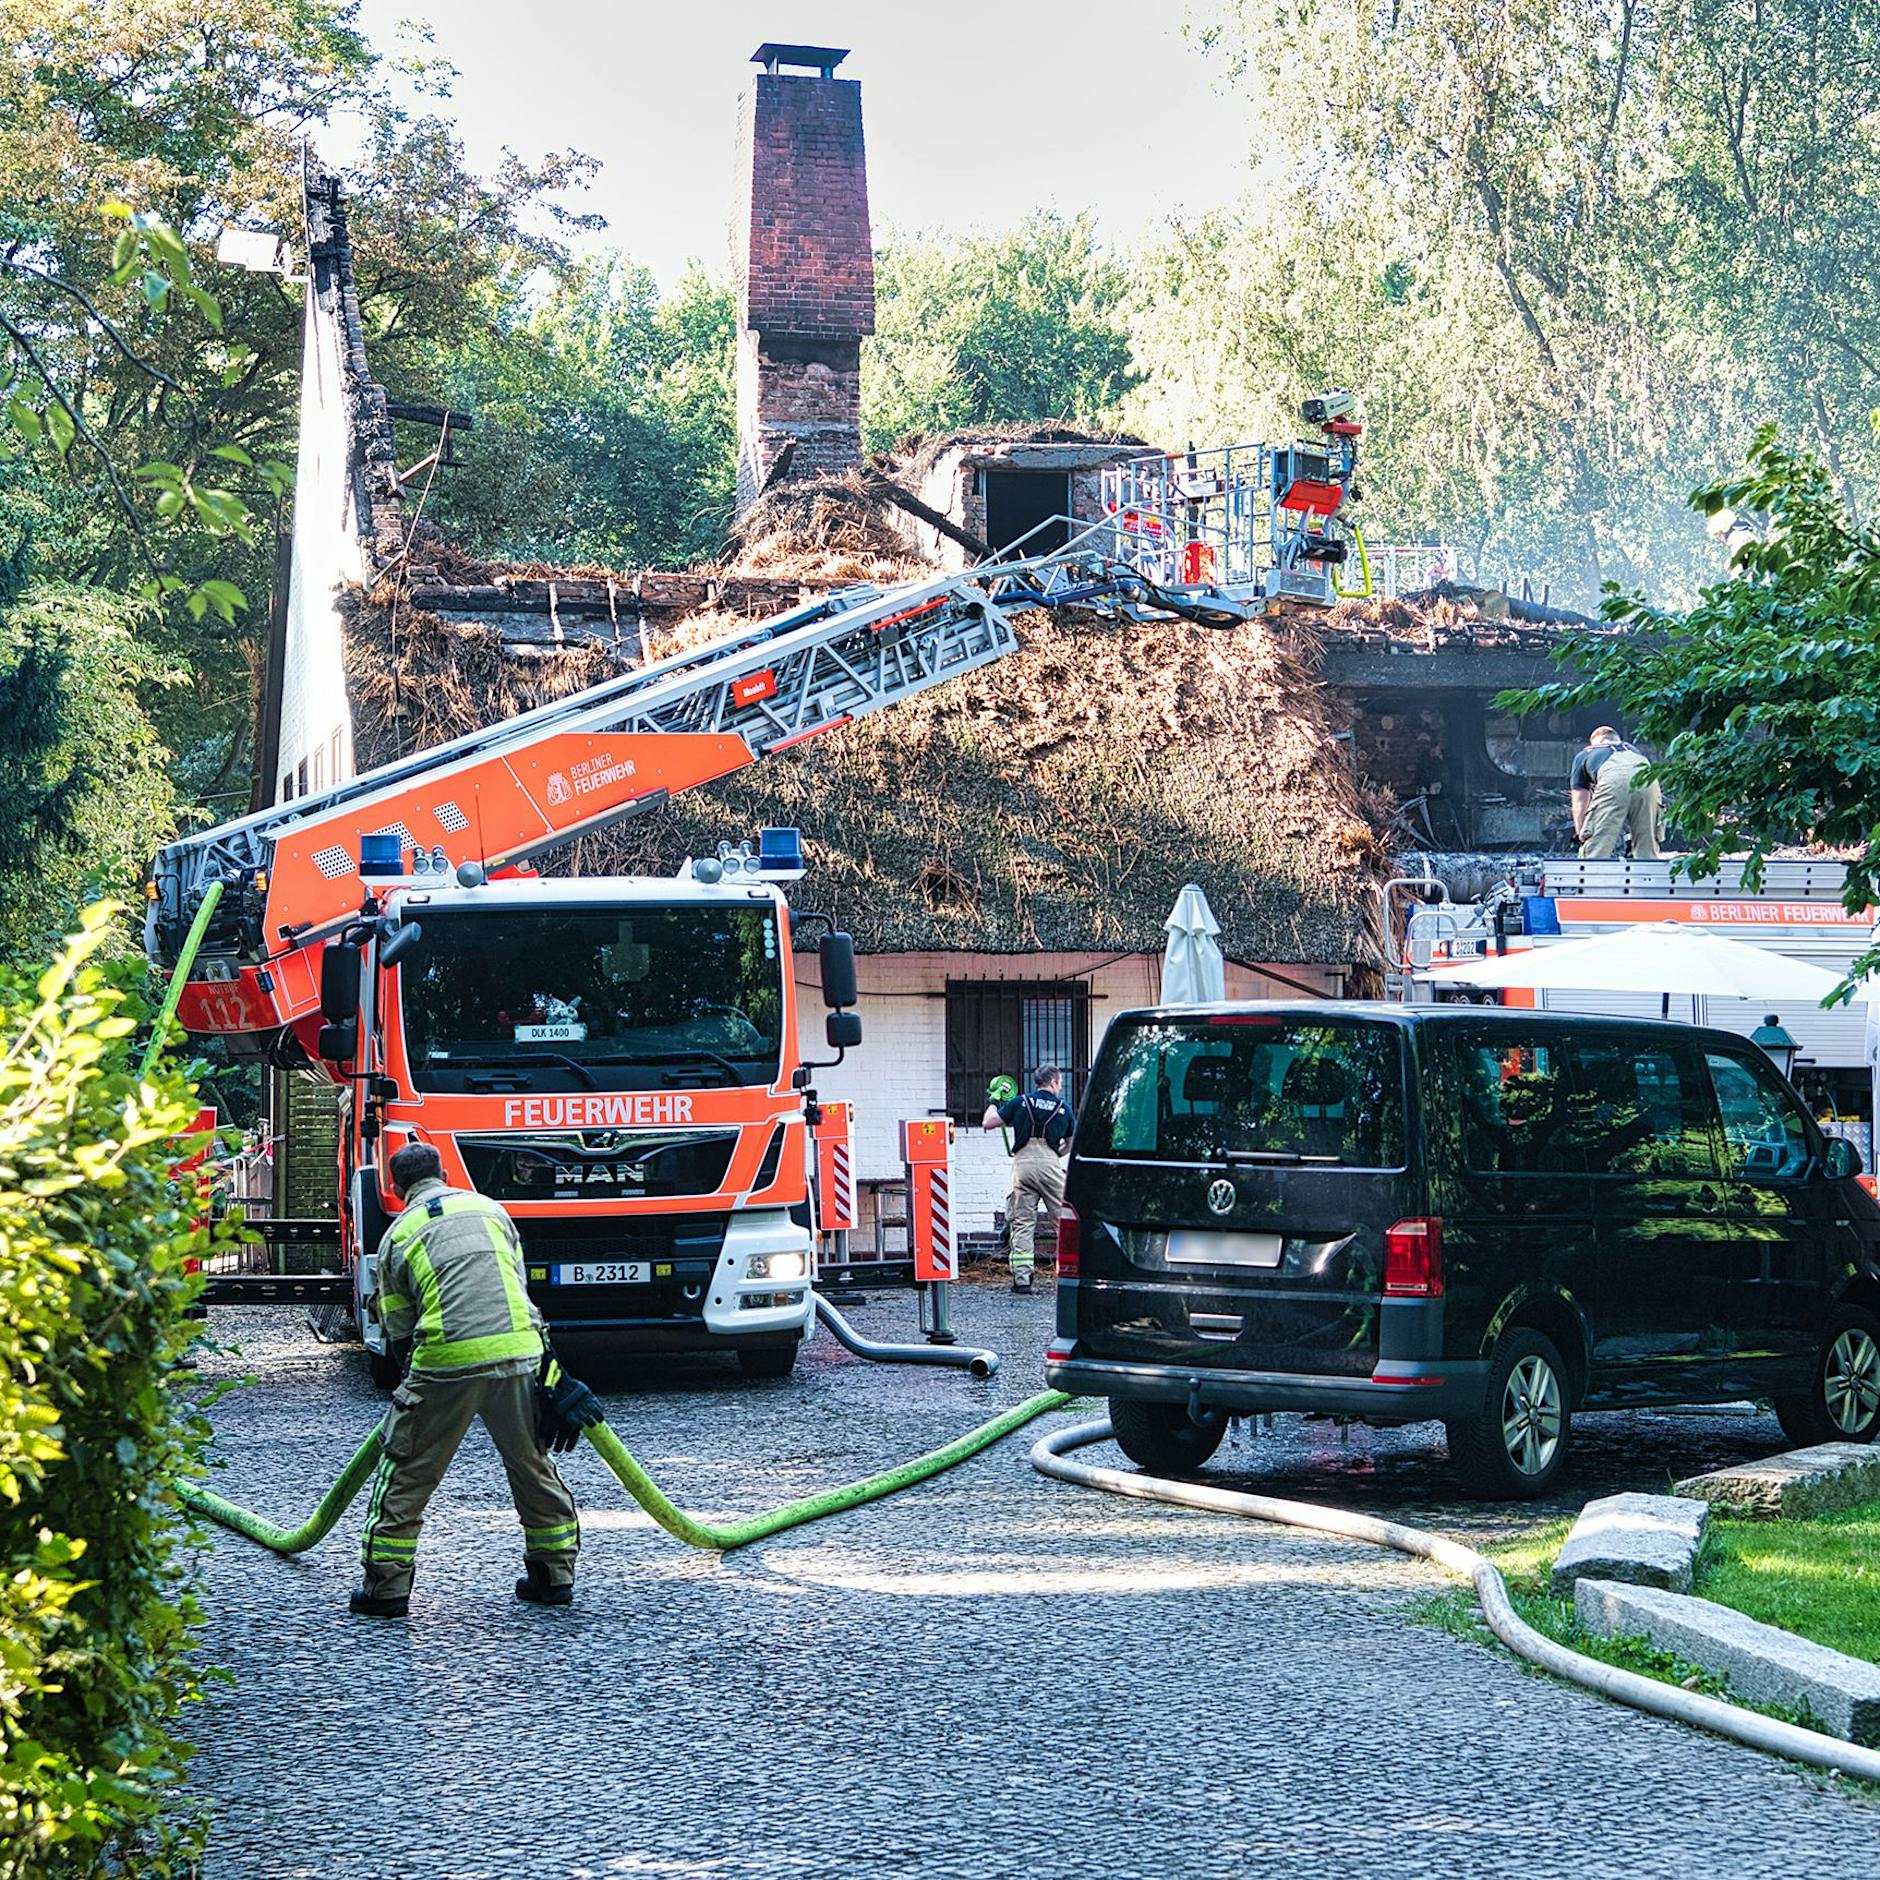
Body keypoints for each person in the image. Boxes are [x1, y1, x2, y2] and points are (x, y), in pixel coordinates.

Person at [352, 1142, 602, 1618]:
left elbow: (398, 1328)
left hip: (446, 1359)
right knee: (532, 1465)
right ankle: (553, 1577)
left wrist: (413, 1390)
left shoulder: (398, 1234)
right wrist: (549, 1371)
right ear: (445, 1173)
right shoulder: (491, 1211)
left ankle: (386, 1589)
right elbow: (516, 1291)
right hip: (518, 1353)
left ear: (397, 1187)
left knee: (407, 1472)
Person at [983, 1065, 1074, 1294]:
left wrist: (994, 1100)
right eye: (1060, 1082)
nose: (1060, 1086)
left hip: (1022, 1166)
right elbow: (1070, 1145)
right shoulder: (1064, 1109)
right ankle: (1069, 1276)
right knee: (1064, 1222)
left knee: (1022, 1223)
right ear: (1053, 1082)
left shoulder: (1020, 1102)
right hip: (1050, 1164)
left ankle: (1022, 1280)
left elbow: (988, 1122)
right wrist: (1054, 1155)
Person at [1570, 724, 1663, 860]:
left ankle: (1593, 870)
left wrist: (1581, 834)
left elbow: (1579, 802)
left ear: (1595, 742)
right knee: (1647, 848)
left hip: (1613, 781)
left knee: (1597, 850)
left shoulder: (1586, 753)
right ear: (1616, 739)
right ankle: (1648, 869)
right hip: (1647, 781)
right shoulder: (1633, 750)